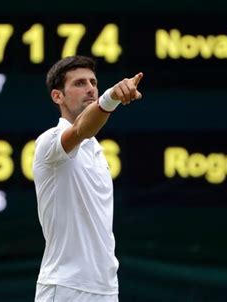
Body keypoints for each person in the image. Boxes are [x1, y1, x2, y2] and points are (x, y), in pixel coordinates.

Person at [32, 55, 143, 302]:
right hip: (65, 288)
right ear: (57, 96)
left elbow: (89, 129)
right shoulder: (49, 142)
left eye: (93, 82)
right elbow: (82, 128)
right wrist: (111, 97)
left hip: (105, 288)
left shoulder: (97, 151)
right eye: (79, 83)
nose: (91, 89)